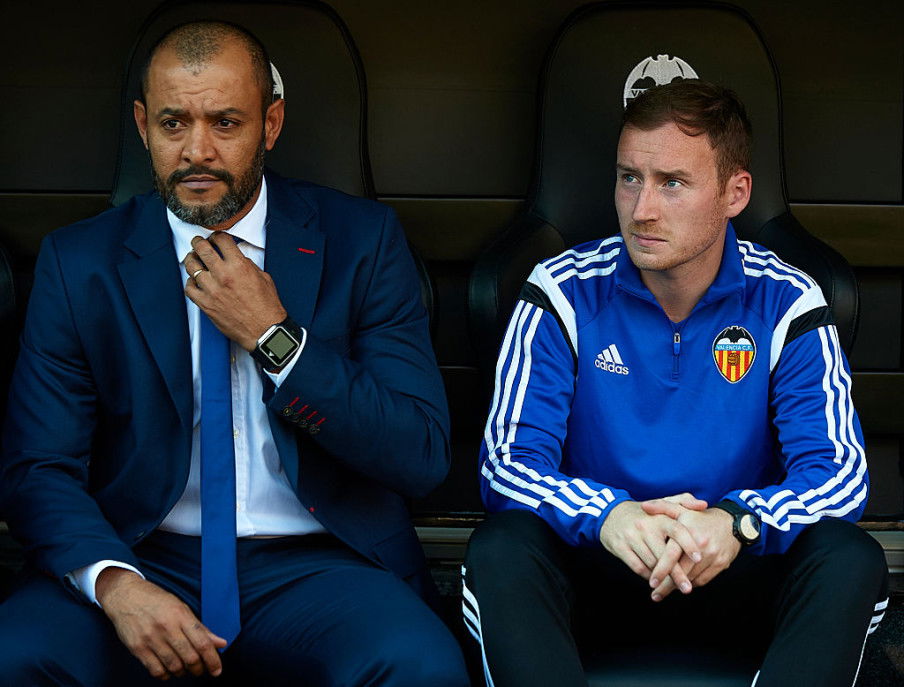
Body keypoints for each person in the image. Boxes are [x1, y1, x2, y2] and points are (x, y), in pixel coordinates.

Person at [0, 20, 468, 686]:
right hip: (138, 550)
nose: (197, 151)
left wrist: (277, 339)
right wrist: (114, 582)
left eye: (225, 123)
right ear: (141, 125)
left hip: (317, 562)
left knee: (421, 666)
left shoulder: (363, 242)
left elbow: (417, 453)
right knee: (14, 656)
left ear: (270, 123)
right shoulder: (80, 264)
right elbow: (38, 467)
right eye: (172, 124)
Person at [463, 80, 888, 687]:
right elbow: (507, 463)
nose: (642, 210)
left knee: (850, 559)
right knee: (502, 549)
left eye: (673, 183)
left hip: (734, 572)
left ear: (734, 192)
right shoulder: (561, 290)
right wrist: (610, 516)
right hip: (600, 570)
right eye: (629, 177)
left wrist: (738, 522)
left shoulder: (788, 301)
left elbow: (840, 477)